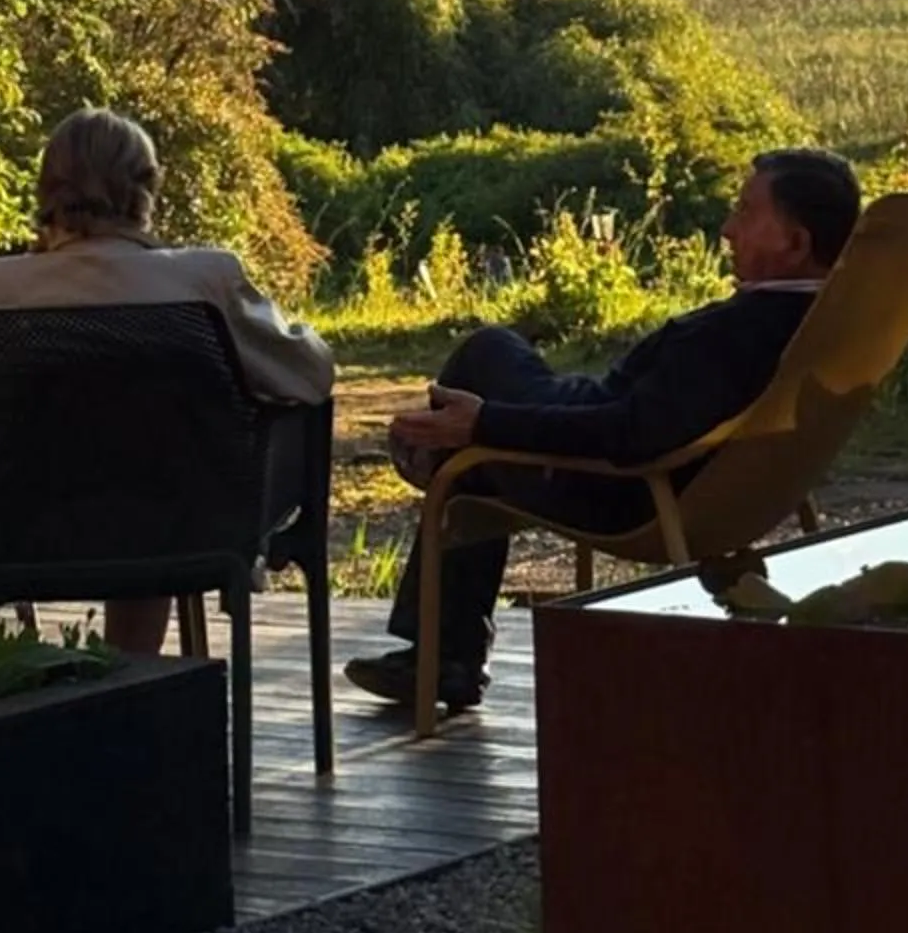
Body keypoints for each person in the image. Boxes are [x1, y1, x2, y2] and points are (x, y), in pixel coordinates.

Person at [343, 146, 863, 715]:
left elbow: (632, 434)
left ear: (796, 243)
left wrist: (484, 423)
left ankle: (445, 644)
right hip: (697, 478)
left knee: (483, 361)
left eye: (745, 211)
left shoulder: (737, 335)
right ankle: (447, 643)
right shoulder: (827, 321)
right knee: (484, 390)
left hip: (617, 489)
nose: (727, 229)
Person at [0, 107, 334, 654]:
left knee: (121, 485)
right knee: (151, 482)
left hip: (33, 524)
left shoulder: (2, 288)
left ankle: (81, 682)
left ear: (48, 190)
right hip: (186, 528)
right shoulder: (202, 278)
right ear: (146, 189)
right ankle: (133, 671)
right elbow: (309, 377)